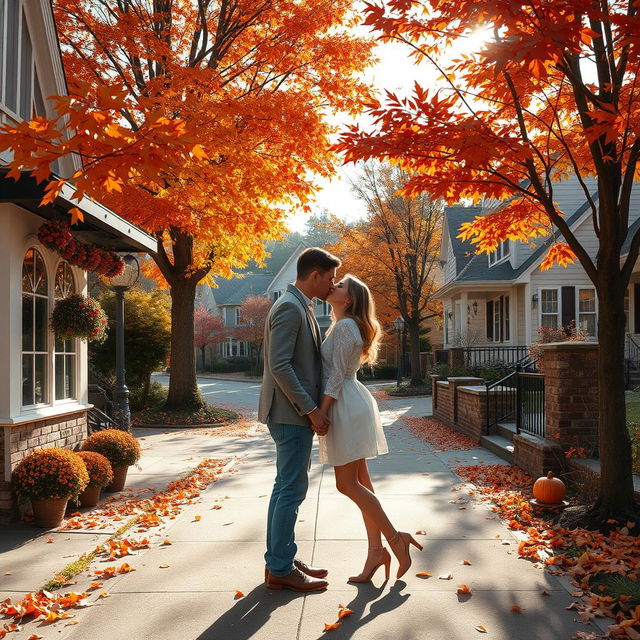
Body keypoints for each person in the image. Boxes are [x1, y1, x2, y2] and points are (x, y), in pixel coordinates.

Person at [318, 274, 422, 582]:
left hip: (345, 405)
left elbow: (336, 375)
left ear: (348, 299)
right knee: (361, 481)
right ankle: (376, 551)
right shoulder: (340, 324)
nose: (333, 286)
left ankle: (394, 539)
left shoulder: (347, 326)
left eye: (340, 286)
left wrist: (320, 413)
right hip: (348, 401)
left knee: (346, 484)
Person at [258, 247, 341, 592]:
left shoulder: (299, 305)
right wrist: (311, 409)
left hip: (289, 413)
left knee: (286, 488)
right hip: (289, 414)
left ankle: (282, 559)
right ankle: (279, 567)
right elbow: (280, 366)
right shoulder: (290, 307)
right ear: (314, 275)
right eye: (330, 278)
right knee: (291, 489)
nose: (332, 285)